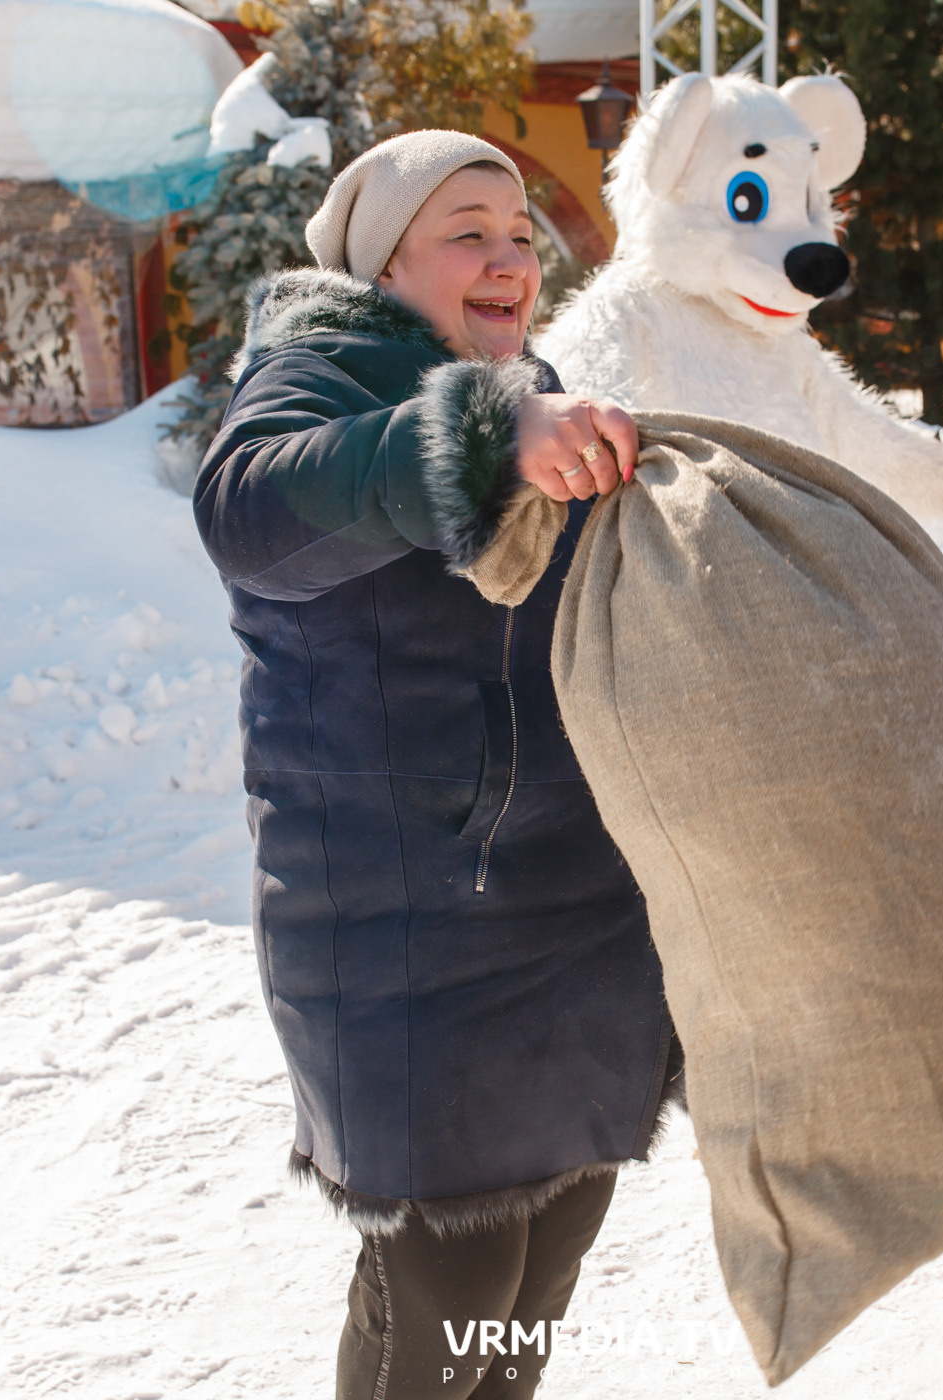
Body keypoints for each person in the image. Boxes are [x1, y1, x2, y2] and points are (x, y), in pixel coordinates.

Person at [192, 131, 678, 1400]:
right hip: (404, 922)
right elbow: (246, 508)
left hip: (569, 911)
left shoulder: (537, 399)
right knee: (445, 1293)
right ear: (384, 261)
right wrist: (481, 434)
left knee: (540, 1273)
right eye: (469, 230)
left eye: (522, 234)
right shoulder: (316, 378)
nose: (511, 255)